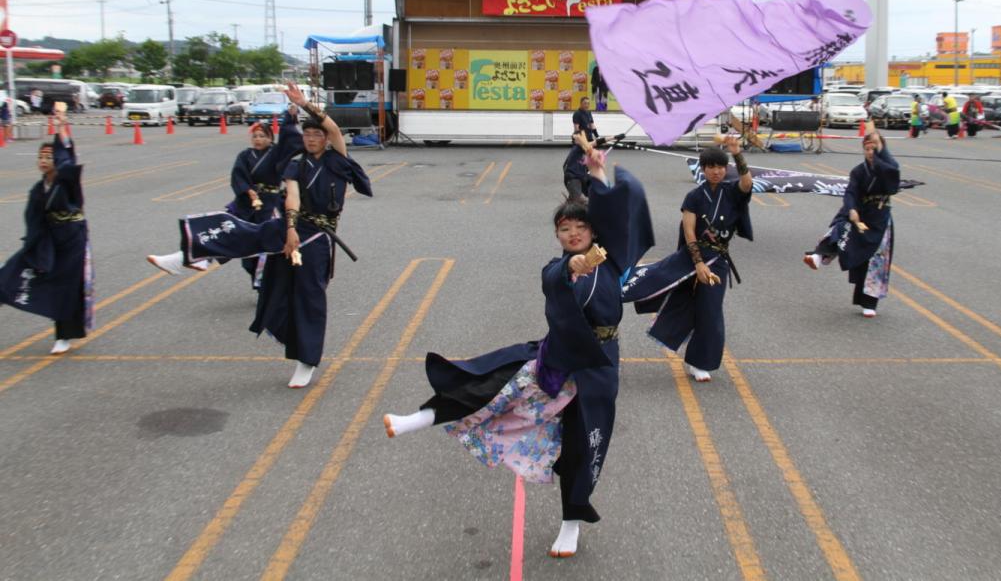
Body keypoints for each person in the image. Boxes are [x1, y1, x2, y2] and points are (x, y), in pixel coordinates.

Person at [383, 144, 653, 559]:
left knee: (582, 447)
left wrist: (597, 173)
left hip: (599, 368)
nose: (573, 234)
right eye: (565, 230)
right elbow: (554, 278)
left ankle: (571, 524)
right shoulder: (556, 267)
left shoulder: (613, 263)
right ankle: (416, 419)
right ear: (557, 236)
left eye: (580, 228)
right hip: (557, 360)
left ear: (593, 230)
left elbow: (618, 219)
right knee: (487, 385)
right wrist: (571, 267)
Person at [146, 83, 371, 388]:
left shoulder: (338, 159)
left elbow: (330, 125)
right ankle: (185, 256)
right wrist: (290, 230)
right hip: (293, 225)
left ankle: (306, 361)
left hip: (319, 237)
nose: (312, 138)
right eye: (307, 135)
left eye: (317, 134)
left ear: (327, 139)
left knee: (309, 297)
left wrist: (304, 104)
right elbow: (291, 196)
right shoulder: (296, 164)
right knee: (243, 232)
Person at [622, 134, 753, 382]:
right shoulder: (693, 197)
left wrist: (736, 152)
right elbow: (689, 232)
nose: (716, 171)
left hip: (719, 260)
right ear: (702, 169)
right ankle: (614, 285)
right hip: (692, 257)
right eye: (711, 167)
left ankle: (698, 361)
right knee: (657, 282)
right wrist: (699, 264)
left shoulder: (732, 192)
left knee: (711, 310)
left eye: (720, 167)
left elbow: (747, 184)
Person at [0, 109, 94, 354]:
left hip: (72, 240)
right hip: (45, 240)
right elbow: (33, 220)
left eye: (48, 157)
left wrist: (62, 128)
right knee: (11, 272)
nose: (43, 161)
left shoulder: (66, 182)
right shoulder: (37, 189)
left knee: (66, 288)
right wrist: (32, 245)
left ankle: (63, 336)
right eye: (40, 157)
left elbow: (67, 161)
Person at [802, 124, 900, 318]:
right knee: (840, 227)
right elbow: (851, 192)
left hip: (879, 217)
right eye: (867, 148)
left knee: (875, 260)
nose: (870, 152)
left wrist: (879, 153)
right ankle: (819, 256)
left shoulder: (888, 168)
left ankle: (869, 302)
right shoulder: (858, 171)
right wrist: (852, 208)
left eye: (874, 148)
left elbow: (892, 184)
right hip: (860, 211)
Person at [223, 112, 303, 286]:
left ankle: (267, 281)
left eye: (262, 136)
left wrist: (289, 118)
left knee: (269, 241)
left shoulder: (276, 153)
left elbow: (289, 143)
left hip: (271, 203)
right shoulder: (245, 156)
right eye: (255, 136)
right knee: (237, 237)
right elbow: (238, 176)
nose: (258, 140)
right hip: (248, 203)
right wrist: (247, 191)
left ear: (270, 138)